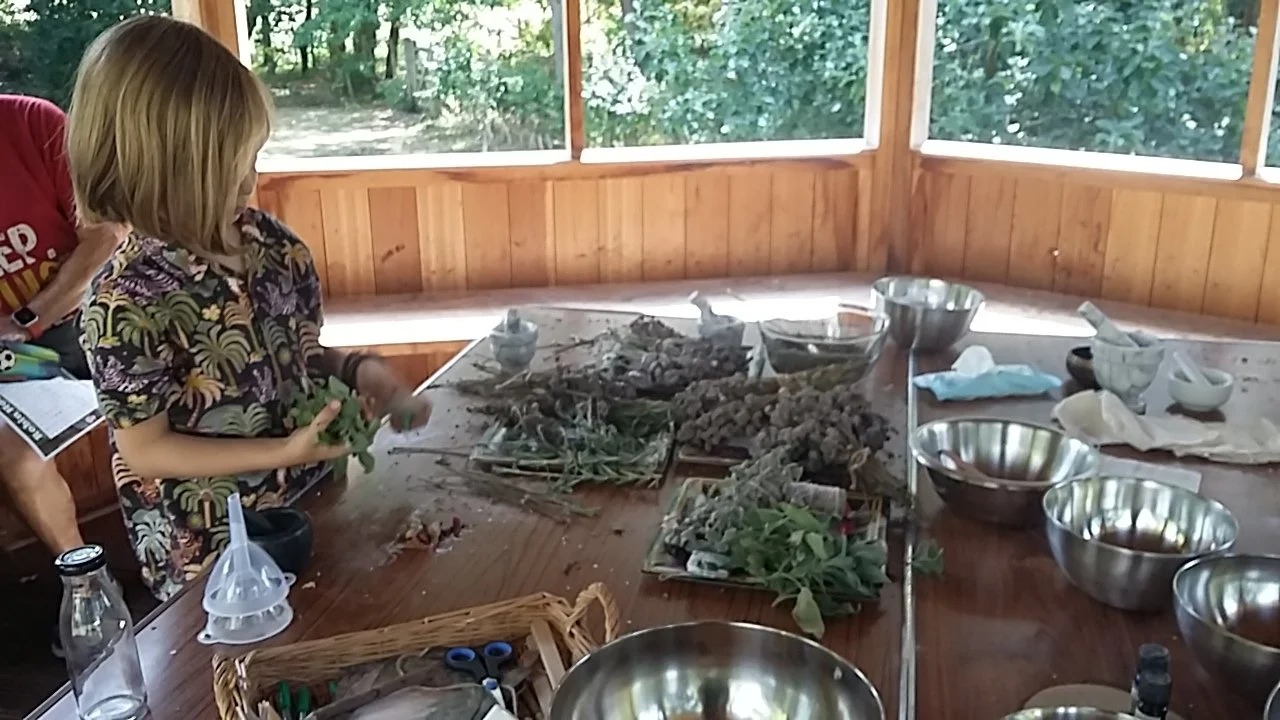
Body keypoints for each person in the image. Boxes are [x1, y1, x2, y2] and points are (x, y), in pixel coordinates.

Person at [66, 15, 432, 600]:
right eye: (233, 164)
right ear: (164, 170)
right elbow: (145, 449)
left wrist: (362, 372)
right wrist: (283, 450)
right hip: (214, 553)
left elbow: (297, 354)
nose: (250, 179)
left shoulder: (276, 247)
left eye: (252, 155)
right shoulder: (122, 303)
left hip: (313, 504)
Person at [0, 95, 127, 558]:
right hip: (14, 363)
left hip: (91, 316)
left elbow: (107, 233)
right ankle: (86, 578)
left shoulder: (35, 123)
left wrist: (29, 318)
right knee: (13, 451)